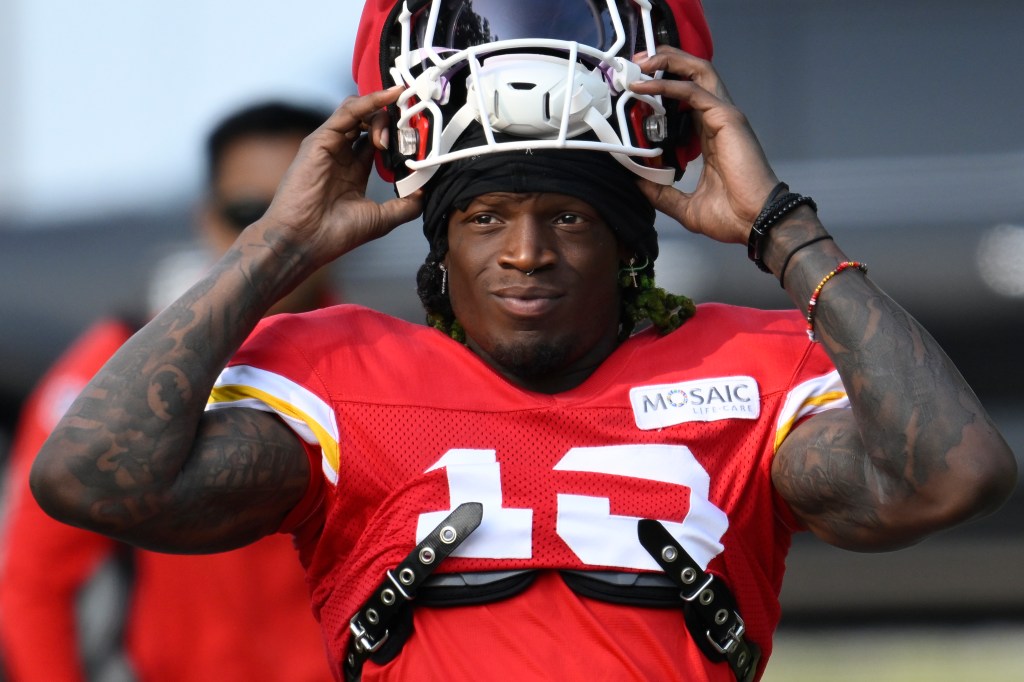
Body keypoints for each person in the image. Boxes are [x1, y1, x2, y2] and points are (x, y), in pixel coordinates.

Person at [26, 1, 1018, 681]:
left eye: (570, 219)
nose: (527, 252)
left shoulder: (741, 371)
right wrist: (276, 245)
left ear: (628, 240)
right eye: (486, 217)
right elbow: (91, 479)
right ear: (439, 241)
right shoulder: (337, 374)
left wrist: (784, 229)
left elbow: (952, 473)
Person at [0, 101, 336, 682]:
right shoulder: (115, 363)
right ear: (207, 219)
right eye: (251, 213)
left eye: (307, 210)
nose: (283, 238)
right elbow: (32, 579)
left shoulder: (387, 359)